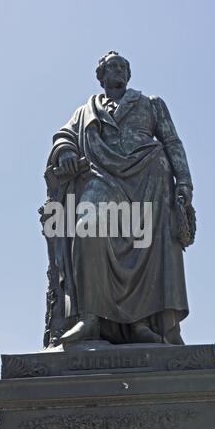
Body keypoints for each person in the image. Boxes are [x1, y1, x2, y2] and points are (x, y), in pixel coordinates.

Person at [45, 51, 193, 345]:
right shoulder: (85, 110)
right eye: (112, 67)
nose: (119, 70)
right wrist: (67, 152)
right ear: (100, 76)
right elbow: (64, 136)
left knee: (144, 247)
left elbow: (172, 141)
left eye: (123, 67)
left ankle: (140, 323)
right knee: (87, 230)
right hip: (100, 178)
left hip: (147, 179)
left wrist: (184, 182)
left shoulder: (151, 103)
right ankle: (89, 318)